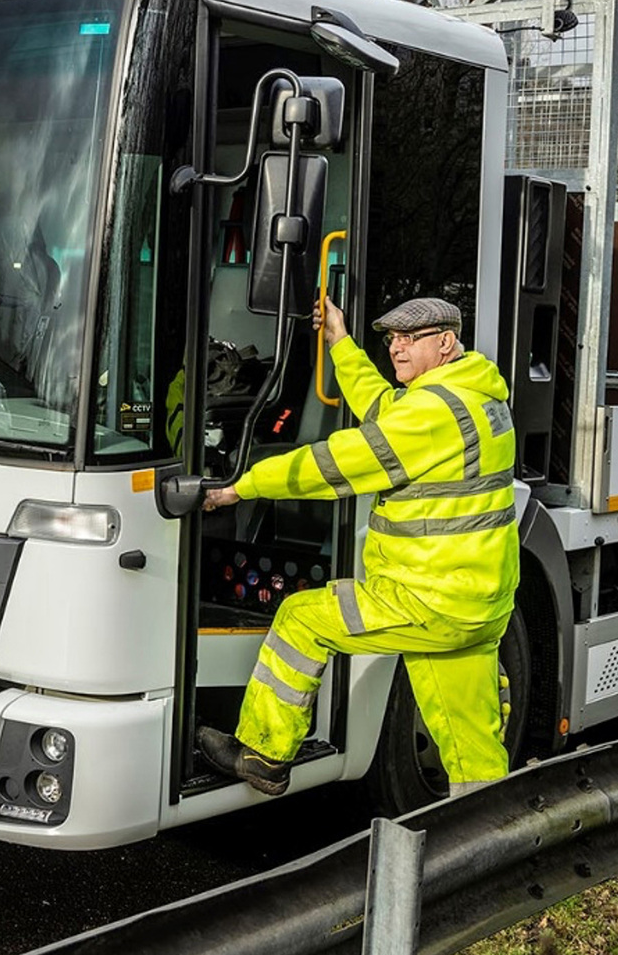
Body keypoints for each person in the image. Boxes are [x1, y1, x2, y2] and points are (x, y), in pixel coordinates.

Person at [195, 295, 521, 798]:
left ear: (446, 341)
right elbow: (381, 407)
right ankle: (488, 844)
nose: (397, 348)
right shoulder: (474, 394)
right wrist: (340, 342)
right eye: (392, 339)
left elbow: (338, 464)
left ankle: (264, 754)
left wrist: (242, 485)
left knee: (301, 619)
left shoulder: (432, 413)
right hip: (476, 601)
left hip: (425, 599)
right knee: (473, 751)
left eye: (410, 339)